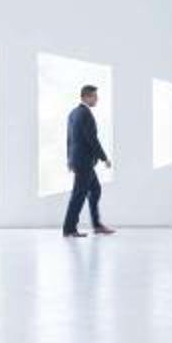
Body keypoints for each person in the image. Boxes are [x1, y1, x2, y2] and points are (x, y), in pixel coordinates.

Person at [61, 83, 114, 237]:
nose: (97, 99)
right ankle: (69, 229)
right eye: (94, 96)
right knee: (78, 195)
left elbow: (69, 139)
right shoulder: (85, 114)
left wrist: (69, 159)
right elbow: (92, 139)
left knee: (95, 189)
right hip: (84, 162)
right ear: (85, 97)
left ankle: (97, 225)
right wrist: (104, 158)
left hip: (79, 160)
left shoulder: (73, 113)